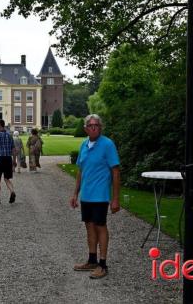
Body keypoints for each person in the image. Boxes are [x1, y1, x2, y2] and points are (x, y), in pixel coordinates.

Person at [69, 114, 120, 279]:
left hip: (100, 195)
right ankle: (92, 260)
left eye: (96, 125)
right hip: (86, 196)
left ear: (100, 127)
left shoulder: (107, 144)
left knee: (100, 227)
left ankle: (103, 264)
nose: (93, 128)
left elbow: (115, 171)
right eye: (90, 125)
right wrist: (75, 193)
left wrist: (115, 198)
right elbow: (80, 171)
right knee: (89, 227)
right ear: (85, 128)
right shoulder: (84, 144)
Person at [0, 119, 16, 204]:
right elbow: (14, 149)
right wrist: (14, 161)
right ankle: (12, 191)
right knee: (7, 178)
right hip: (8, 159)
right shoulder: (9, 135)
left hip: (0, 159)